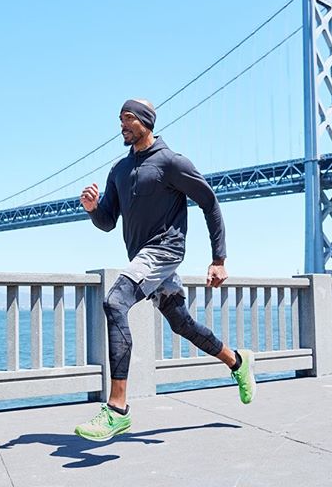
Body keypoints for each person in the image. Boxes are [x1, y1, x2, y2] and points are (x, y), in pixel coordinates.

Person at [75, 98, 256, 442]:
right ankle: (237, 362)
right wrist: (92, 208)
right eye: (120, 119)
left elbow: (210, 202)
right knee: (182, 324)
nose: (122, 125)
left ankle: (117, 409)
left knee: (115, 302)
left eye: (128, 118)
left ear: (145, 121)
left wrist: (219, 259)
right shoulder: (118, 170)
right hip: (145, 256)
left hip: (165, 250)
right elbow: (107, 223)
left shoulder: (171, 162)